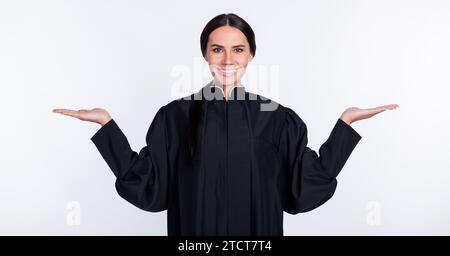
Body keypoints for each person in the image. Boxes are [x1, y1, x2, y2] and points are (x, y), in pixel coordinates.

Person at [53, 13, 399, 236]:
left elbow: (303, 186)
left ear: (251, 55)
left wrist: (345, 124)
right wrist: (106, 125)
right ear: (205, 54)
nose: (228, 59)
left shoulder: (277, 118)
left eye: (238, 49)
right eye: (218, 49)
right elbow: (151, 185)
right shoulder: (175, 116)